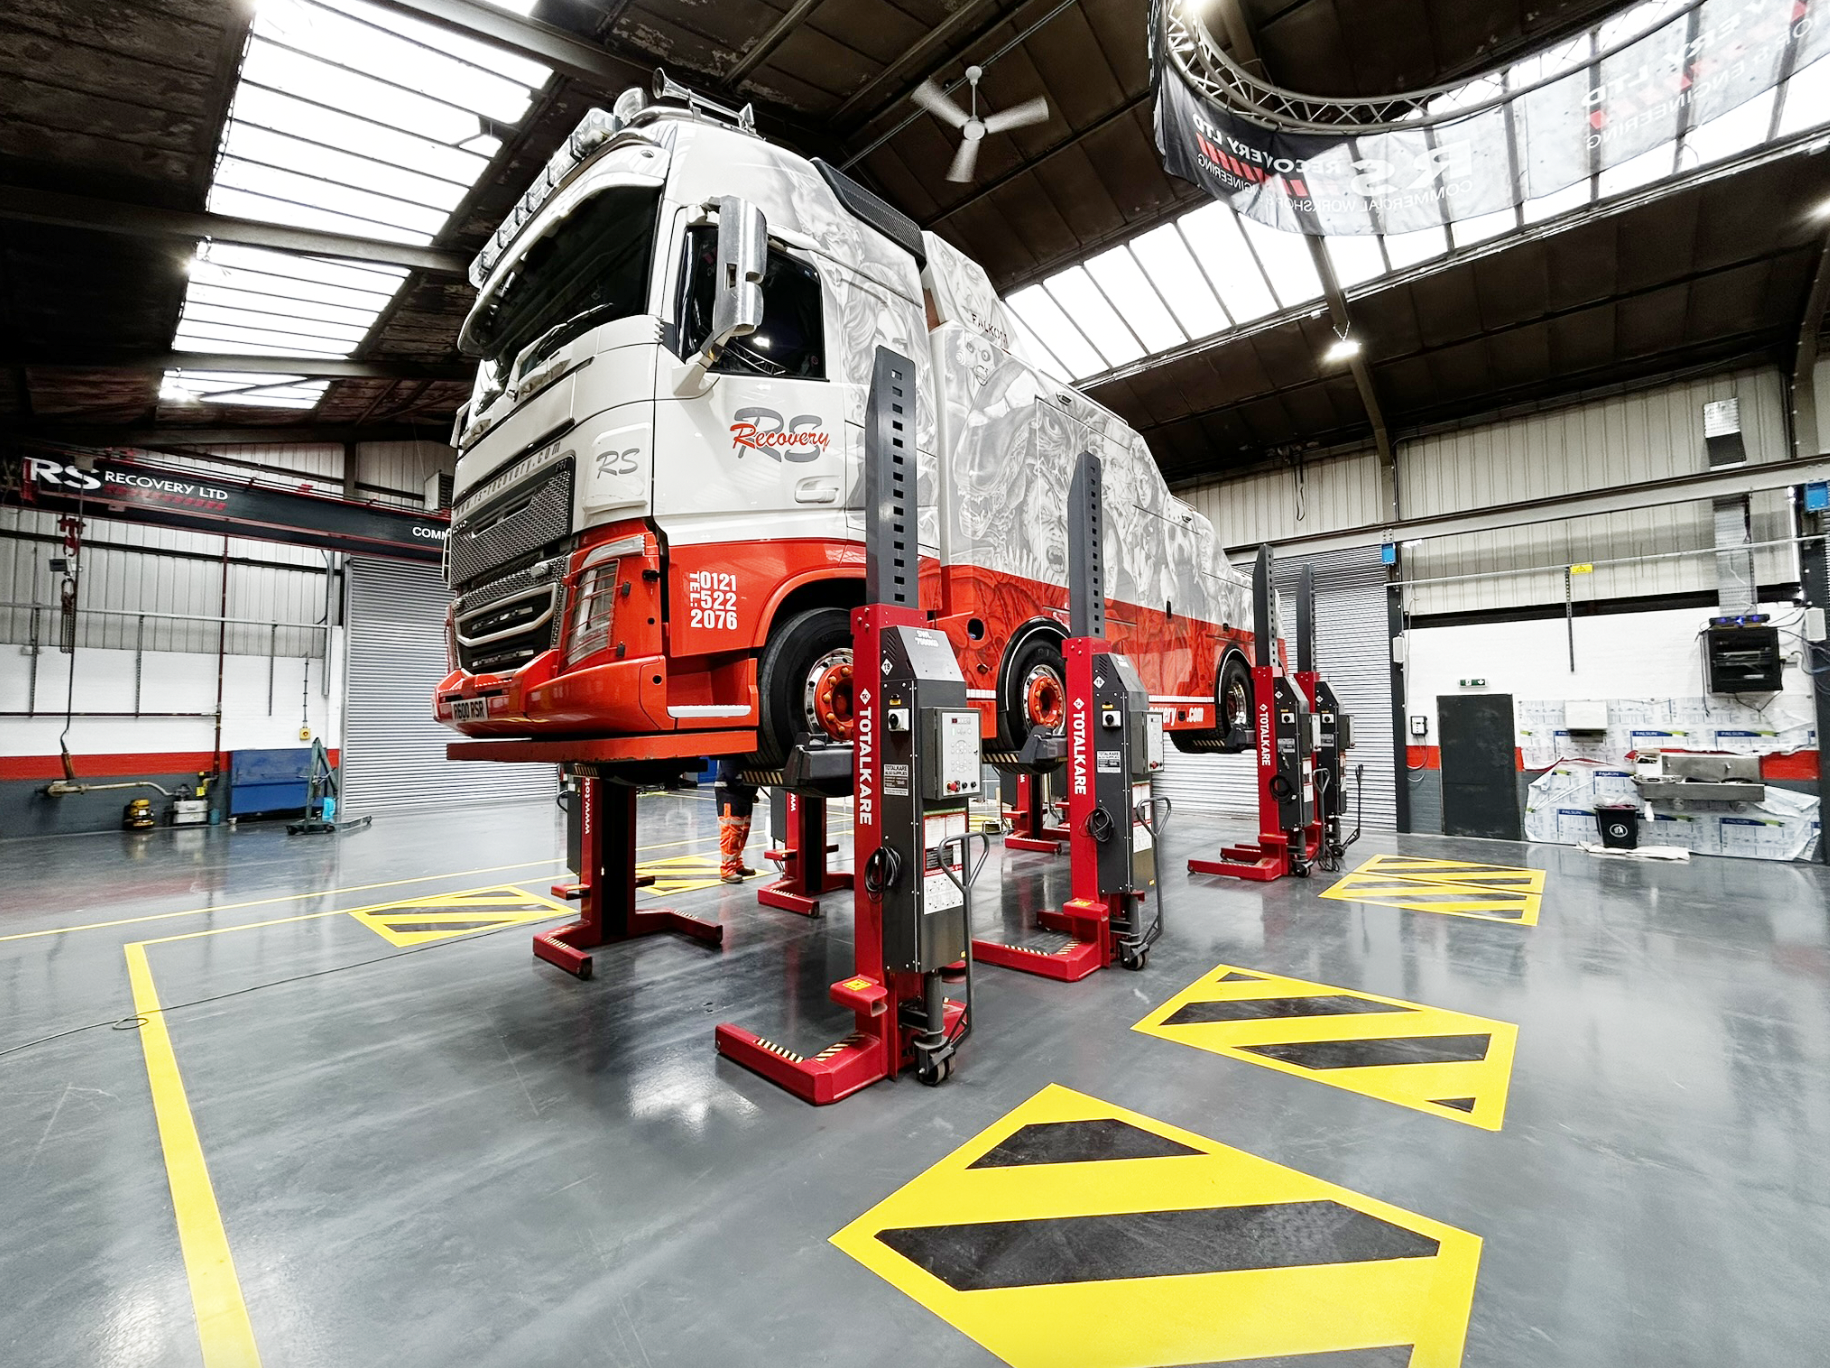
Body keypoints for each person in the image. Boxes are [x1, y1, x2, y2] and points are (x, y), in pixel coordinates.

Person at [715, 757, 758, 884]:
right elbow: (730, 775)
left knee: (742, 831)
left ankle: (736, 864)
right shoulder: (732, 747)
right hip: (730, 791)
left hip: (744, 792)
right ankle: (727, 869)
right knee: (731, 832)